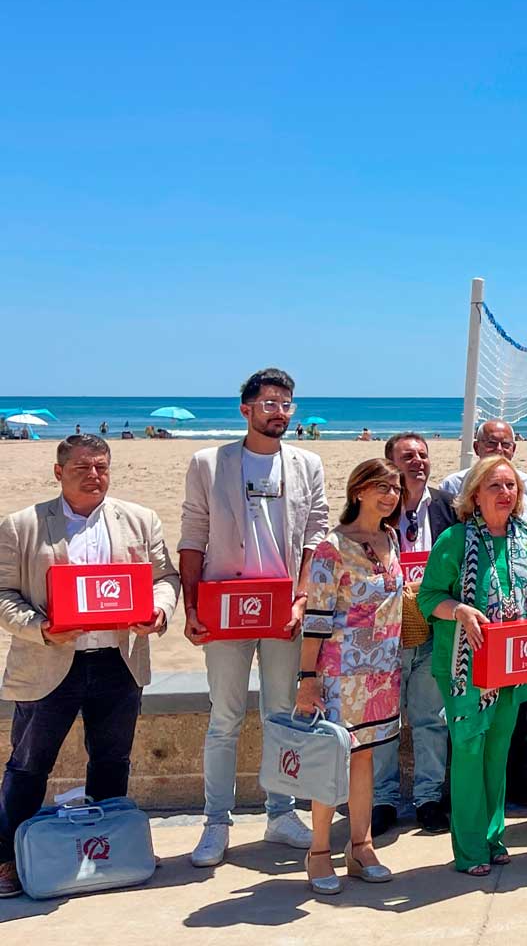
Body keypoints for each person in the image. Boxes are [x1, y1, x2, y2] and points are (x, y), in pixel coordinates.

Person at [0, 435, 179, 898]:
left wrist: (159, 612)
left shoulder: (140, 519)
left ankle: (110, 849)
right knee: (27, 767)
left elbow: (165, 578)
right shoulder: (22, 525)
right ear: (58, 472)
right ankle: (8, 857)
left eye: (101, 467)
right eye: (82, 468)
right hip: (48, 662)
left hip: (118, 662)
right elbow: (3, 595)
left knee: (112, 761)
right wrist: (40, 628)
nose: (93, 476)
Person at [180, 367, 325, 867]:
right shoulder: (209, 462)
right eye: (269, 404)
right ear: (245, 409)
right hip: (224, 610)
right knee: (224, 717)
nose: (279, 412)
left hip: (284, 611)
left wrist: (303, 596)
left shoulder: (307, 463)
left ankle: (280, 812)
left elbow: (315, 537)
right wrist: (193, 606)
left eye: (286, 404)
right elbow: (192, 536)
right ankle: (216, 821)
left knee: (281, 716)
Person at [418, 456, 527, 875]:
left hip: (513, 663)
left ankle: (494, 838)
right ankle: (471, 849)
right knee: (470, 751)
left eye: (511, 486)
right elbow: (428, 598)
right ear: (475, 494)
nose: (505, 493)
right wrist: (459, 610)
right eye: (495, 486)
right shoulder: (454, 540)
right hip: (465, 667)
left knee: (497, 751)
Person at [294, 459, 407, 892]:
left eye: (395, 488)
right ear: (358, 490)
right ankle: (319, 850)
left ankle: (361, 846)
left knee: (366, 759)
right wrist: (308, 679)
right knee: (331, 761)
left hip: (381, 672)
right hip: (338, 672)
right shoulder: (331, 547)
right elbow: (317, 619)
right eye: (381, 486)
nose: (389, 495)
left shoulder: (390, 538)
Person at [373, 433, 454, 837]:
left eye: (423, 455)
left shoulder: (446, 506)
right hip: (384, 635)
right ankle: (382, 801)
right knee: (383, 722)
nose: (418, 461)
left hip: (434, 630)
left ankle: (428, 800)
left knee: (430, 719)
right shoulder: (372, 507)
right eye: (408, 456)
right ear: (390, 463)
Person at [437, 420, 527, 526]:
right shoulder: (453, 485)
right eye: (491, 443)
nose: (499, 449)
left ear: (513, 449)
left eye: (505, 445)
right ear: (476, 447)